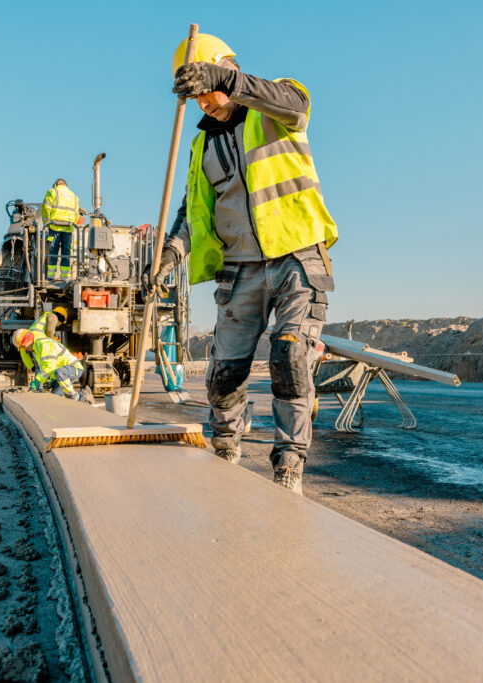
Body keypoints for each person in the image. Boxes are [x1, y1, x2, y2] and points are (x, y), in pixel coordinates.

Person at [145, 34, 338, 494]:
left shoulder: (275, 106)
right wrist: (168, 255)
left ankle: (289, 463)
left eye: (204, 90)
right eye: (193, 97)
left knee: (290, 354)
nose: (201, 103)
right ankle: (227, 445)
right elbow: (193, 211)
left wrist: (229, 81)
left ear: (222, 70)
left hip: (295, 257)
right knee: (224, 374)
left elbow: (298, 105)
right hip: (241, 269)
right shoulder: (200, 148)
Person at [12, 327, 86, 401]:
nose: (24, 349)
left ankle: (76, 396)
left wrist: (38, 381)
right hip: (62, 370)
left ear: (27, 339)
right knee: (56, 397)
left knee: (60, 373)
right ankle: (81, 398)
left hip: (73, 368)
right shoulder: (36, 348)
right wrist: (52, 379)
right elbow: (52, 365)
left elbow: (49, 366)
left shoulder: (44, 345)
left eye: (23, 346)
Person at [41, 179, 82, 280]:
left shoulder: (52, 192)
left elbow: (46, 209)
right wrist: (72, 224)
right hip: (68, 228)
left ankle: (51, 276)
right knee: (66, 252)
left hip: (54, 226)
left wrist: (47, 224)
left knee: (53, 250)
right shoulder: (74, 196)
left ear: (56, 185)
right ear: (65, 185)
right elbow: (77, 214)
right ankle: (64, 277)